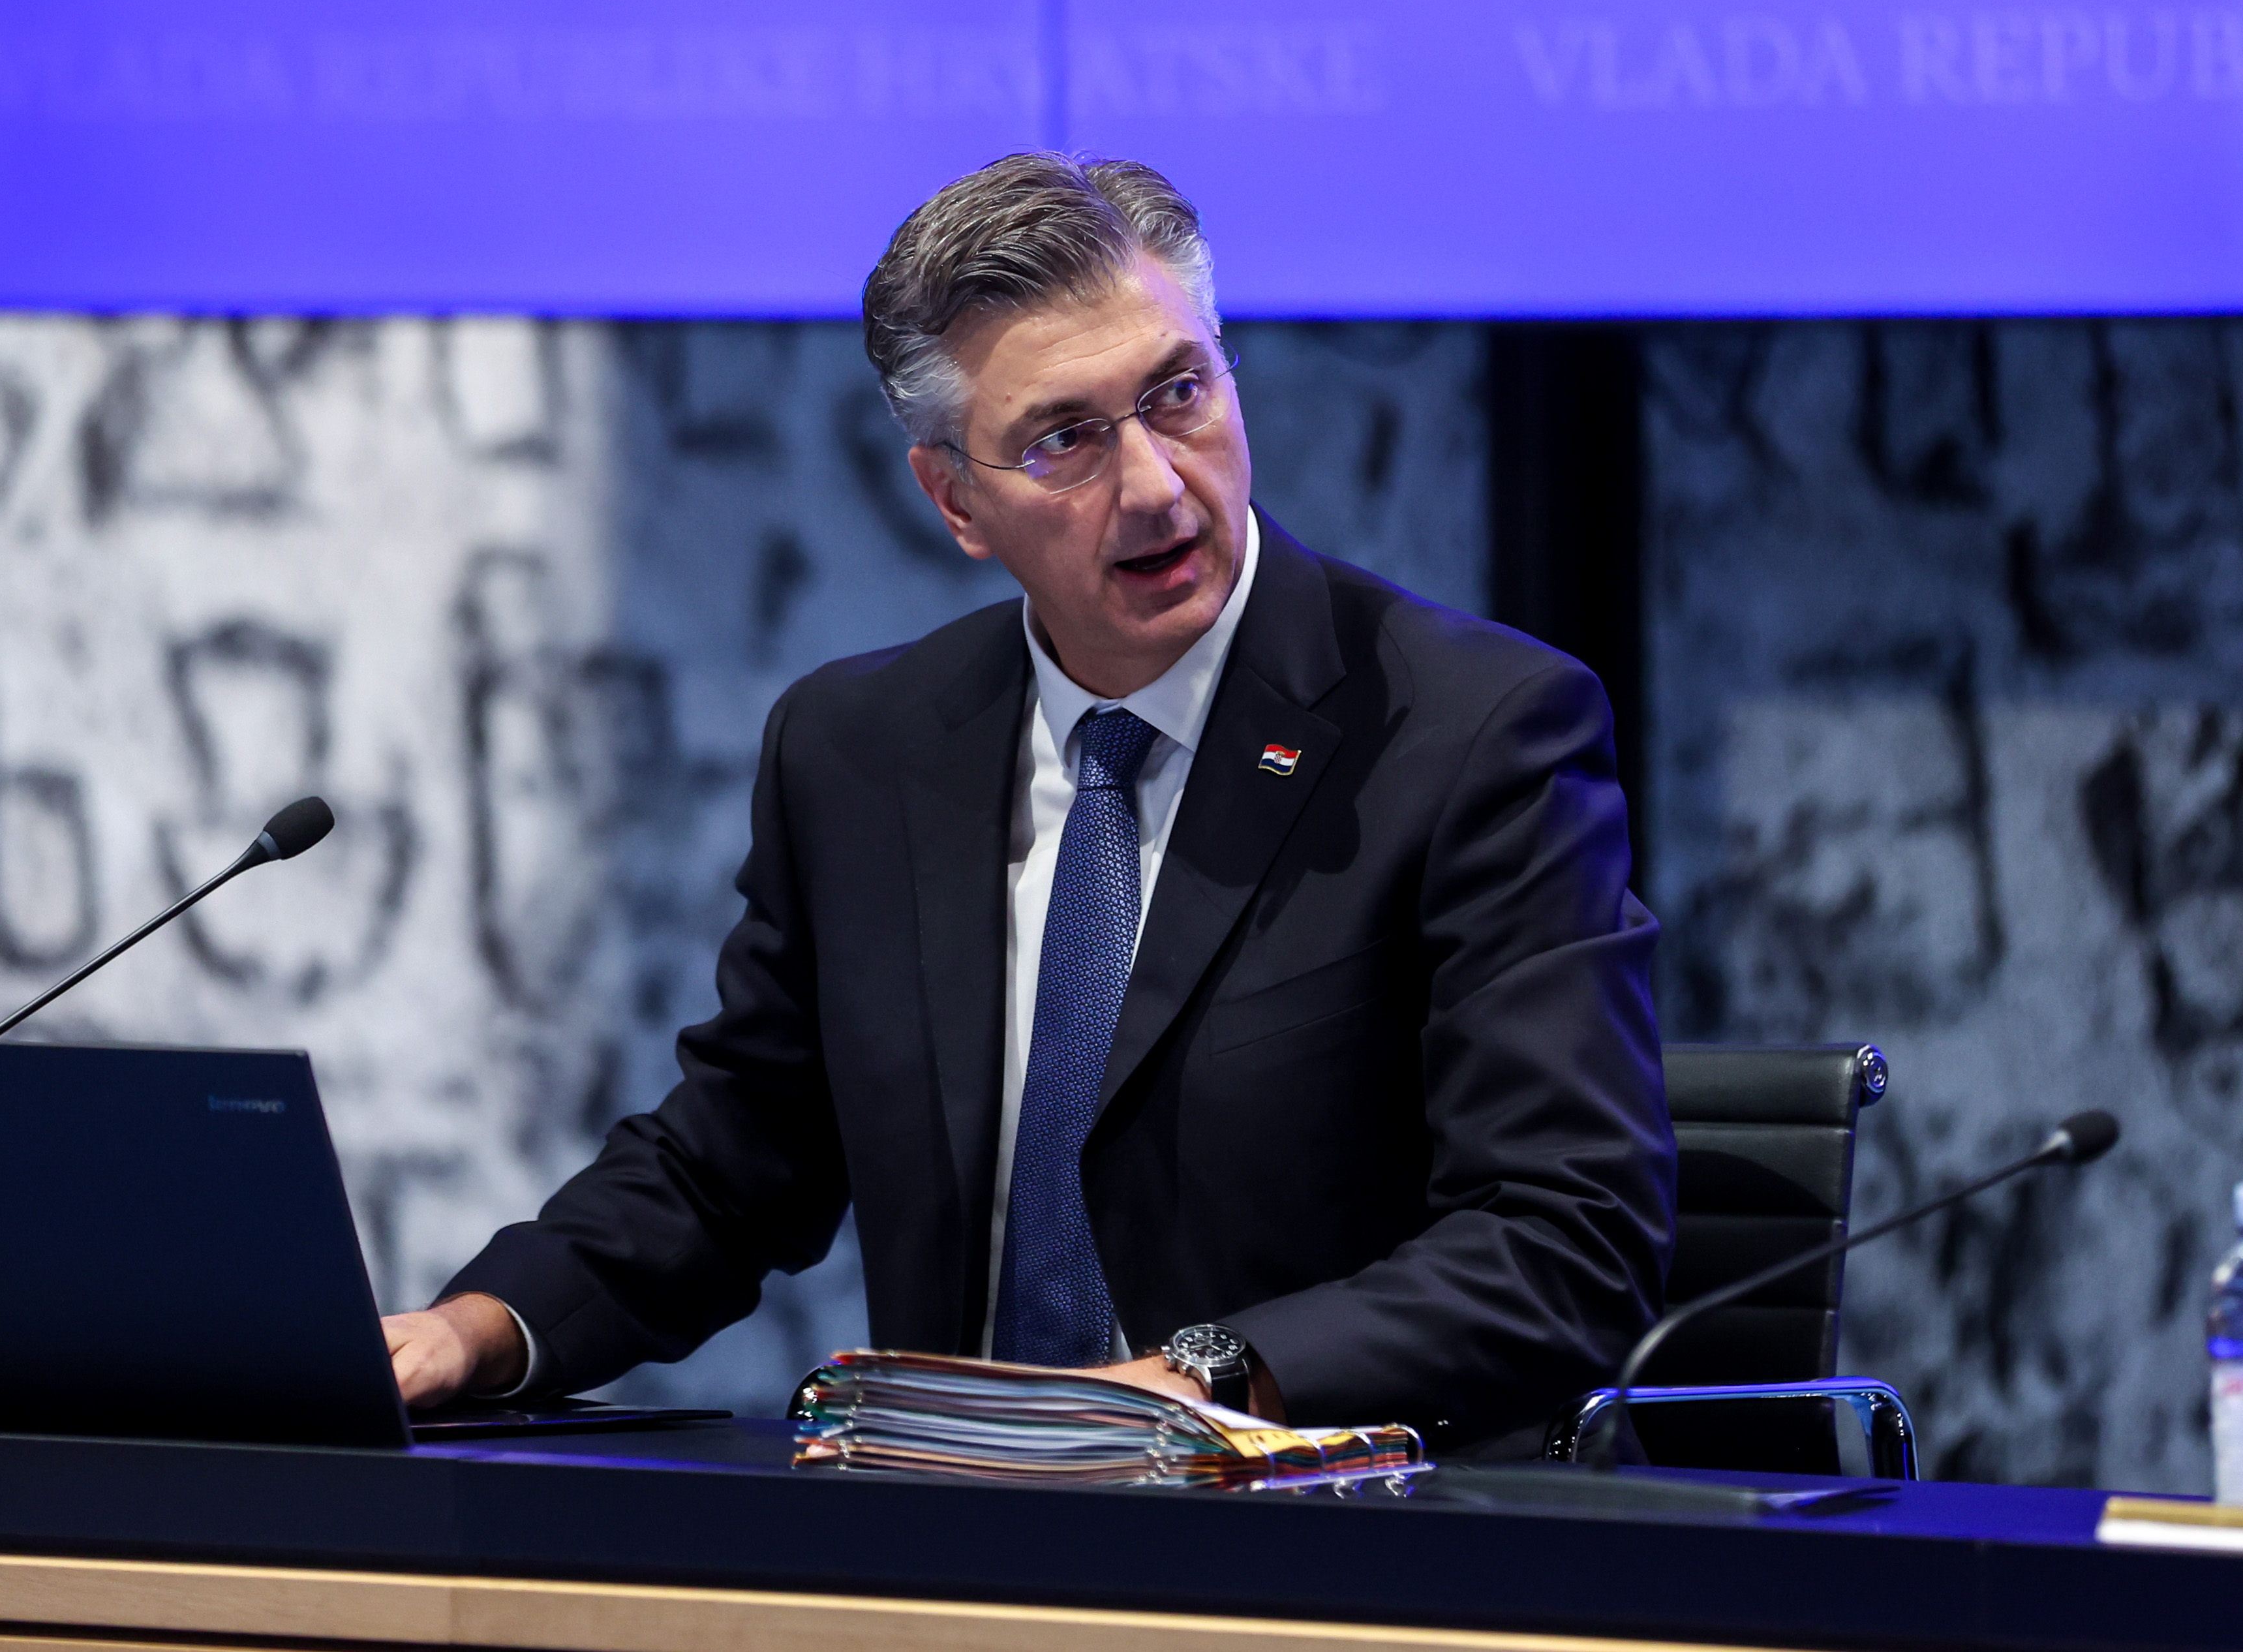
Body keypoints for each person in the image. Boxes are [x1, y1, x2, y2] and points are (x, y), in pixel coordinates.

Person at [384, 153, 1674, 1456]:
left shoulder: (1469, 732)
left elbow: (1564, 1230)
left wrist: (1214, 1371)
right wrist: (480, 1324)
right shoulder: (861, 751)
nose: (1157, 485)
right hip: (968, 1540)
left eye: (1178, 393)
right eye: (1064, 438)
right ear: (954, 500)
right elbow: (730, 1164)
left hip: (1337, 1542)